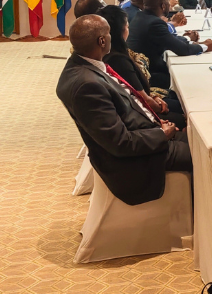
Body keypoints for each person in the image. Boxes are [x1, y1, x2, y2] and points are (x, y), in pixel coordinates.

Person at [56, 15, 191, 205]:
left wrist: (158, 124)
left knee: (198, 136)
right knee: (205, 154)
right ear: (102, 41)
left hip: (144, 134)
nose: (113, 37)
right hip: (133, 161)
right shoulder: (87, 85)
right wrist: (161, 134)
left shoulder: (86, 65)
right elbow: (120, 143)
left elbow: (127, 104)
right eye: (109, 33)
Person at [97, 5, 186, 129]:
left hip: (142, 102)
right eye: (127, 26)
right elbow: (140, 98)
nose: (129, 30)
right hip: (141, 115)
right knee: (185, 108)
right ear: (120, 31)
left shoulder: (111, 52)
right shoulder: (117, 59)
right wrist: (158, 106)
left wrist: (153, 97)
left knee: (177, 97)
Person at [127, 0, 212, 88]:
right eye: (168, 2)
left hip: (143, 72)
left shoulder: (140, 17)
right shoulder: (155, 23)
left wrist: (189, 40)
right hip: (152, 76)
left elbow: (168, 40)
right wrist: (205, 46)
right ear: (163, 5)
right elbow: (183, 50)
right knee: (190, 78)